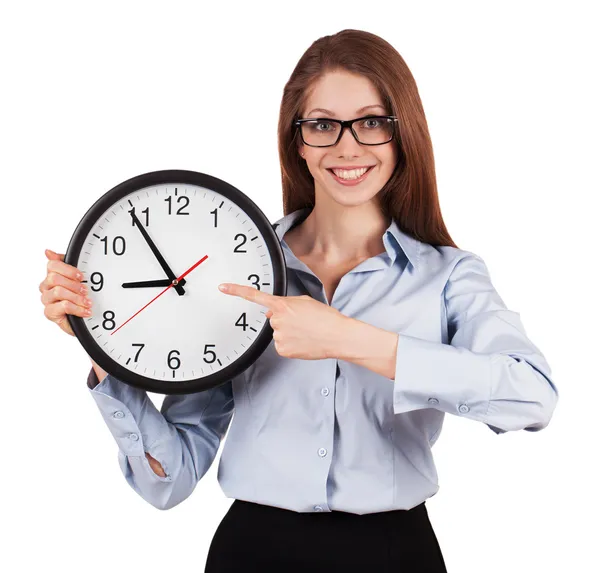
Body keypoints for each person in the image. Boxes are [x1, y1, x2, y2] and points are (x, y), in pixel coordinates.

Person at [40, 28, 558, 572]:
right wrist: (104, 347)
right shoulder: (236, 267)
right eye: (323, 125)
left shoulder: (449, 276)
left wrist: (354, 341)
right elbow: (171, 477)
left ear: (402, 134)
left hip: (394, 554)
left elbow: (533, 397)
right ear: (297, 140)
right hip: (253, 553)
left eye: (372, 121)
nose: (348, 145)